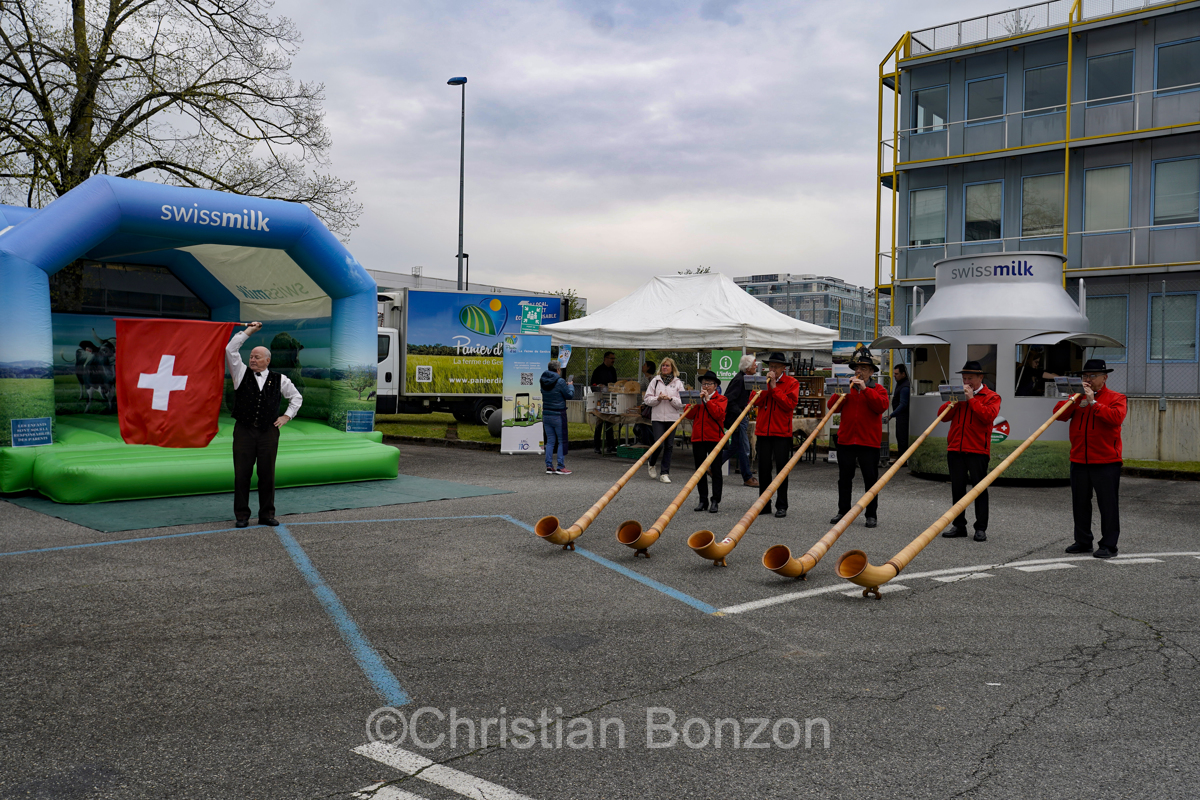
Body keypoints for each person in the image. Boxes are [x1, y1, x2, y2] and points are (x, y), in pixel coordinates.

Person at [226, 321, 303, 527]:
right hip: (243, 430)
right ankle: (242, 516)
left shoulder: (281, 380)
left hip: (269, 431)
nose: (252, 359)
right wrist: (249, 332)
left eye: (257, 357)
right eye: (251, 356)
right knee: (242, 473)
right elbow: (230, 349)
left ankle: (267, 514)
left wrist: (287, 416)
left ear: (267, 360)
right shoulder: (240, 373)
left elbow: (297, 398)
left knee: (267, 474)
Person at [1055, 359, 1127, 558]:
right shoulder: (1075, 398)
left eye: (1093, 376)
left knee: (1108, 505)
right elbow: (1058, 415)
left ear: (1104, 378)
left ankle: (1109, 545)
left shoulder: (1116, 397)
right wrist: (1076, 400)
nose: (1088, 380)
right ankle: (1083, 540)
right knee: (1080, 503)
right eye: (1085, 376)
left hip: (1106, 461)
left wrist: (1093, 402)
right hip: (1079, 459)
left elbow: (1116, 418)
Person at [938, 361, 1002, 542]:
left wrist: (972, 399)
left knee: (979, 489)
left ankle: (980, 528)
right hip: (955, 448)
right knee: (957, 489)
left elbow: (988, 416)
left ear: (980, 378)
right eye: (964, 378)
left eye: (970, 378)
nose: (966, 381)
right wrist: (956, 401)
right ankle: (959, 525)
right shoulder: (958, 395)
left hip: (977, 450)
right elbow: (942, 416)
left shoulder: (992, 396)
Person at [829, 348, 888, 528]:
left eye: (863, 368)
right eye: (857, 368)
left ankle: (871, 515)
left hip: (868, 442)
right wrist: (842, 391)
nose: (859, 371)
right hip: (846, 440)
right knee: (844, 478)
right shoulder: (847, 387)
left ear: (871, 372)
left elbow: (881, 407)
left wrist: (865, 390)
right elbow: (832, 407)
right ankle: (843, 511)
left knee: (870, 480)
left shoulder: (879, 389)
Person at [753, 352, 800, 518]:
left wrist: (774, 388)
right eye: (770, 366)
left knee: (782, 470)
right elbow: (754, 401)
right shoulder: (761, 382)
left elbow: (789, 404)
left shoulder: (792, 383)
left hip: (781, 432)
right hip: (763, 431)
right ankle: (764, 504)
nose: (771, 369)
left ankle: (782, 505)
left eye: (775, 367)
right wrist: (766, 387)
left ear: (783, 368)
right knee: (764, 469)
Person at [691, 371, 728, 513]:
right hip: (698, 438)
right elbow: (689, 415)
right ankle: (702, 500)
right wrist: (694, 403)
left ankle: (715, 500)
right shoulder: (697, 398)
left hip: (714, 439)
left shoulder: (722, 399)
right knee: (699, 471)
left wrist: (707, 401)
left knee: (716, 470)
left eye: (709, 384)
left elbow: (719, 414)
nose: (706, 386)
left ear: (715, 385)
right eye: (704, 383)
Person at [644, 357, 684, 484]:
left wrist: (671, 399)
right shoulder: (655, 381)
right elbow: (647, 399)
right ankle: (652, 462)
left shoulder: (678, 383)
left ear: (672, 368)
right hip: (658, 417)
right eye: (663, 366)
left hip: (672, 418)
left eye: (667, 366)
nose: (665, 368)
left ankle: (664, 473)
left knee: (669, 446)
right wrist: (658, 398)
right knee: (659, 444)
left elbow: (682, 403)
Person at [723, 355, 760, 487]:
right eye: (754, 364)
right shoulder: (740, 380)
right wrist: (741, 413)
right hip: (737, 418)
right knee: (744, 448)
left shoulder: (744, 378)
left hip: (739, 417)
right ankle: (747, 477)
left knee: (735, 447)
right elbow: (728, 399)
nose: (756, 366)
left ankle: (711, 467)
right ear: (748, 367)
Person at [540, 361, 574, 474]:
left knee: (550, 441)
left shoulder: (543, 380)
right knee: (561, 441)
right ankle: (560, 466)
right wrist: (571, 386)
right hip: (558, 414)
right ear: (558, 370)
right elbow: (569, 395)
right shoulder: (560, 381)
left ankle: (549, 466)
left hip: (546, 414)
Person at [590, 351, 618, 454]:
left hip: (610, 399)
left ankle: (610, 445)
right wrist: (598, 386)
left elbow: (615, 384)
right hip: (600, 399)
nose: (613, 361)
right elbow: (592, 385)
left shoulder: (613, 370)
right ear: (605, 358)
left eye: (614, 359)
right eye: (611, 358)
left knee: (610, 422)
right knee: (599, 423)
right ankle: (597, 446)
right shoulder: (598, 370)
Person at [884, 363, 910, 458]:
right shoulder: (901, 384)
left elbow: (903, 404)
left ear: (903, 374)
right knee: (900, 437)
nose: (894, 376)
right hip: (900, 416)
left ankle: (902, 459)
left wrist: (892, 415)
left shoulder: (905, 387)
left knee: (902, 437)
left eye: (896, 374)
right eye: (894, 373)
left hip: (903, 417)